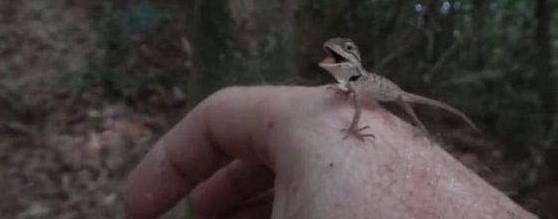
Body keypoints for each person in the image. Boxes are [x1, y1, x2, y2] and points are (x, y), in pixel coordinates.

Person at [124, 86, 536, 218]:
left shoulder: (359, 91)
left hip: (388, 93)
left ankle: (427, 130)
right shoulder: (348, 84)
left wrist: (356, 131)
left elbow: (359, 109)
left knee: (414, 109)